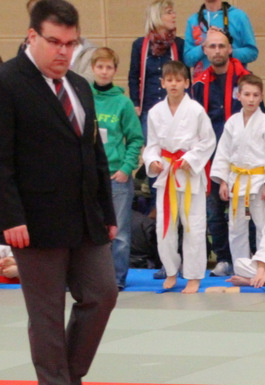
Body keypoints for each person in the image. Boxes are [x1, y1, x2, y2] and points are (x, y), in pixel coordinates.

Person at [0, 0, 119, 385]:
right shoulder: (2, 84)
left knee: (102, 293)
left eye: (71, 44)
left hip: (85, 214)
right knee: (47, 312)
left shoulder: (78, 84)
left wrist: (107, 210)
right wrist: (10, 216)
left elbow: (94, 153)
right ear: (32, 36)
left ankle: (70, 377)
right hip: (33, 220)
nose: (63, 52)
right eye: (54, 42)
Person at [142, 60, 215, 294]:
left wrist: (191, 158)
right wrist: (152, 161)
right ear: (162, 83)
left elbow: (208, 141)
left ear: (186, 83)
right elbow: (152, 145)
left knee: (193, 225)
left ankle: (193, 276)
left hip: (189, 174)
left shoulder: (196, 110)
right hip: (166, 174)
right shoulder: (155, 112)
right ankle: (171, 271)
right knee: (164, 227)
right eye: (169, 80)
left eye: (178, 80)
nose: (173, 84)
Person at [191, 26, 248, 276]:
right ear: (204, 50)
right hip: (210, 156)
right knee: (213, 211)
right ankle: (223, 258)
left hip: (241, 155)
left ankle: (245, 259)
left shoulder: (245, 79)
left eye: (221, 46)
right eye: (212, 46)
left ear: (230, 49)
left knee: (241, 212)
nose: (217, 50)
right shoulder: (198, 84)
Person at [210, 73, 265, 266]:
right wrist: (223, 181)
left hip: (259, 183)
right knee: (236, 228)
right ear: (238, 95)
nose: (251, 99)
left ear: (261, 97)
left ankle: (262, 266)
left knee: (263, 226)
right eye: (247, 94)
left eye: (255, 95)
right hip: (237, 181)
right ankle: (241, 267)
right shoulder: (232, 122)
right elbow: (223, 152)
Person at [92, 47, 144, 291]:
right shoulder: (84, 98)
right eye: (100, 66)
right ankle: (88, 277)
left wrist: (126, 168)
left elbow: (135, 138)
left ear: (115, 71)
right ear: (93, 68)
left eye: (109, 67)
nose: (104, 71)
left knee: (120, 232)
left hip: (116, 177)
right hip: (90, 176)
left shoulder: (123, 103)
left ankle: (116, 279)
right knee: (88, 231)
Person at [129, 0, 185, 141]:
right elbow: (133, 77)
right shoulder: (139, 45)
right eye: (169, 12)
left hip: (174, 109)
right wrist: (135, 103)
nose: (174, 16)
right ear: (157, 17)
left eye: (173, 12)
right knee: (152, 150)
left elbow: (185, 77)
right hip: (148, 108)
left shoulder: (179, 44)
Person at [184, 0, 258, 70]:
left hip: (234, 77)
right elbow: (188, 60)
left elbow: (252, 53)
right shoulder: (193, 20)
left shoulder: (239, 17)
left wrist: (227, 50)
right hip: (203, 78)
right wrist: (205, 45)